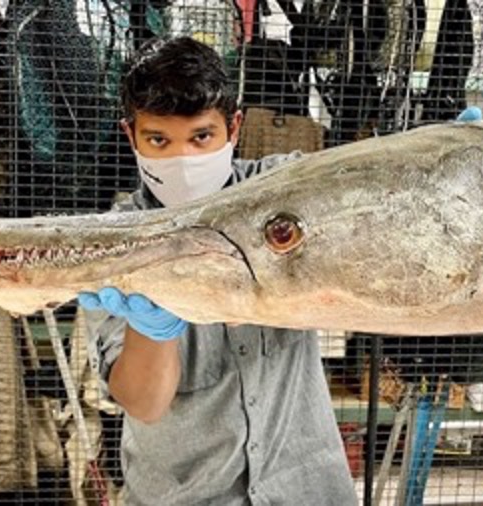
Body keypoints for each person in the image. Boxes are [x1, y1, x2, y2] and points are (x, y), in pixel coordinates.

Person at [77, 36, 360, 505]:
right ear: (131, 136)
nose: (182, 159)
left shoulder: (284, 192)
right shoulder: (113, 245)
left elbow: (361, 202)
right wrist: (153, 326)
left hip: (307, 487)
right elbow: (145, 403)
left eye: (201, 137)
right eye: (159, 140)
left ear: (234, 127)